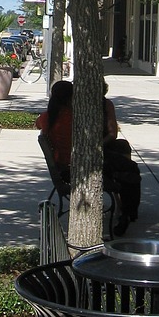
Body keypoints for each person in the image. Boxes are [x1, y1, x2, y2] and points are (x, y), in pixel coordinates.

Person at [36, 80, 141, 236]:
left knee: (123, 164)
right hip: (82, 166)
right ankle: (128, 212)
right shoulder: (77, 118)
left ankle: (126, 209)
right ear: (70, 98)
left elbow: (38, 124)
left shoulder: (47, 117)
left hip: (63, 167)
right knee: (131, 169)